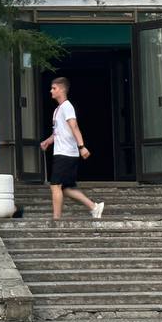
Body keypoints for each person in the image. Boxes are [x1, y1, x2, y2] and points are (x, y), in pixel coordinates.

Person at [40, 76, 105, 220]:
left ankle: (56, 219)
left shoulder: (67, 107)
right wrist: (48, 141)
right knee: (65, 188)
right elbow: (58, 132)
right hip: (62, 152)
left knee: (55, 186)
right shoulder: (57, 110)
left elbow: (74, 126)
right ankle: (94, 207)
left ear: (62, 90)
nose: (51, 91)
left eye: (54, 88)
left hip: (66, 153)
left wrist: (82, 146)